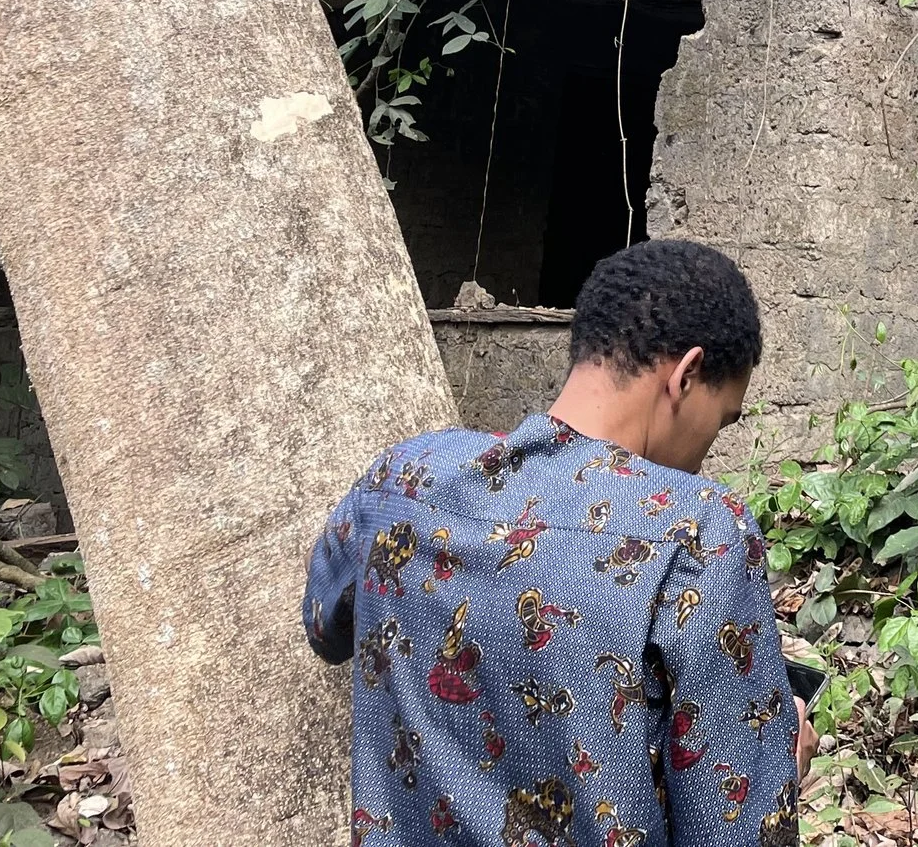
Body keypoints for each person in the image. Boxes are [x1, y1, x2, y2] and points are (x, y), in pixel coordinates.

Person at [304, 239, 815, 847]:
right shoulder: (699, 532)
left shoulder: (404, 478)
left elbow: (323, 626)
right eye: (722, 417)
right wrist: (779, 758)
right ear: (686, 374)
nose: (708, 452)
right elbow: (735, 833)